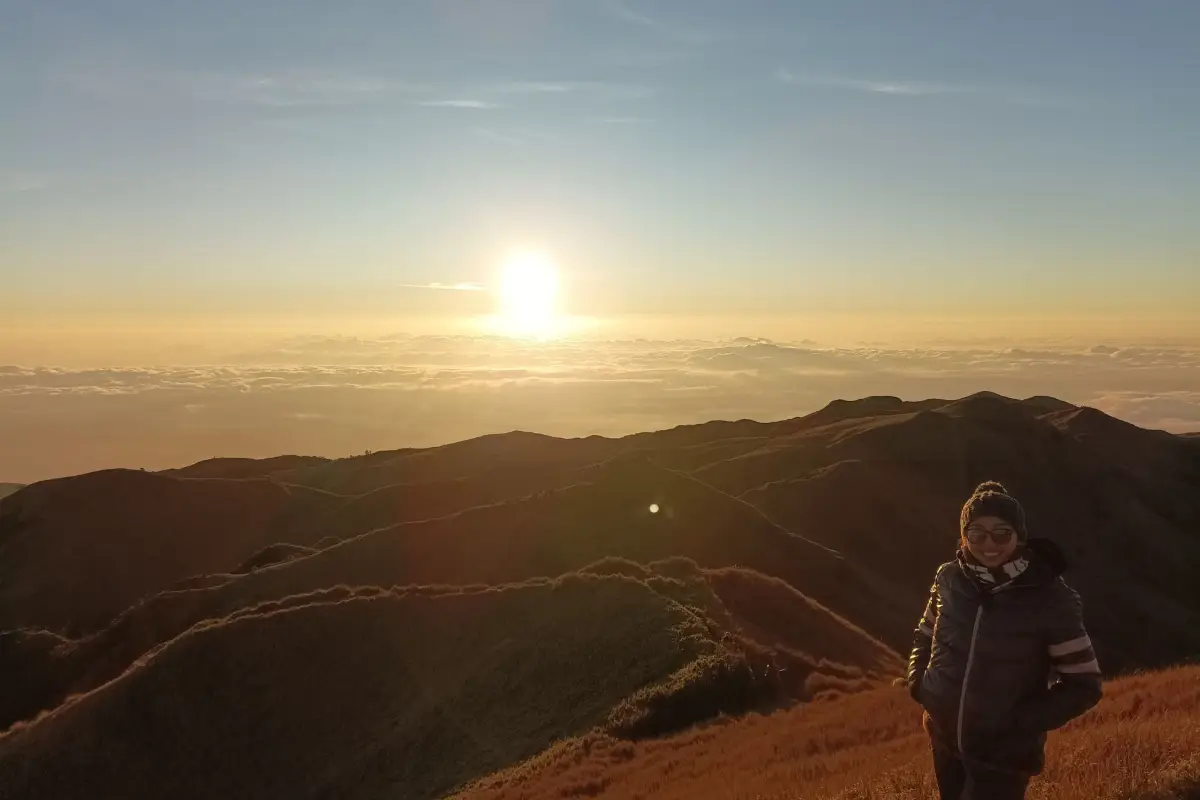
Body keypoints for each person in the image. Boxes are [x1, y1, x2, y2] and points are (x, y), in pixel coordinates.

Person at [906, 481, 1103, 800]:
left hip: (1003, 757)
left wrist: (1017, 724)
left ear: (1020, 537)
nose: (989, 544)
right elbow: (925, 633)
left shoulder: (1050, 598)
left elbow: (1083, 684)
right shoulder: (949, 579)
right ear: (964, 536)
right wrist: (920, 684)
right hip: (944, 740)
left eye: (1001, 534)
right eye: (977, 534)